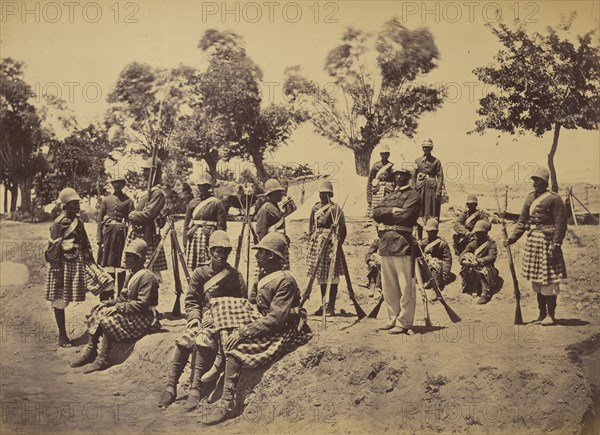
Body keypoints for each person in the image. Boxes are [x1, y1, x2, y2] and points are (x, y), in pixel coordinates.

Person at [201, 233, 311, 425]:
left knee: (236, 348)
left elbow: (276, 319)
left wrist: (244, 331)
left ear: (271, 255)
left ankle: (227, 403)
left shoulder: (285, 281)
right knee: (222, 307)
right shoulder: (263, 274)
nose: (257, 256)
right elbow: (252, 303)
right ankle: (220, 360)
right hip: (263, 319)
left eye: (260, 252)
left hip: (281, 329)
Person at [158, 231, 247, 411]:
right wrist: (194, 319)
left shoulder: (235, 276)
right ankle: (171, 386)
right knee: (186, 338)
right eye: (217, 251)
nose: (221, 255)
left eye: (225, 251)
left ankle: (195, 389)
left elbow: (242, 305)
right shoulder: (200, 273)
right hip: (202, 317)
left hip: (222, 321)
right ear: (209, 251)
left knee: (203, 339)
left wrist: (218, 320)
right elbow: (191, 301)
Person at [70, 238, 159, 373]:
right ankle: (91, 350)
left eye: (130, 257)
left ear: (139, 259)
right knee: (98, 310)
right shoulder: (131, 274)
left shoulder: (147, 277)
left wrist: (117, 308)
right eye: (126, 256)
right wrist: (109, 303)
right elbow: (123, 297)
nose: (126, 260)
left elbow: (142, 305)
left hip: (144, 317)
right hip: (131, 311)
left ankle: (103, 358)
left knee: (107, 320)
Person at [45, 188, 114, 347]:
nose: (77, 207)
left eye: (77, 203)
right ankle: (62, 336)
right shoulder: (57, 224)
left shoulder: (79, 221)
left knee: (107, 283)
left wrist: (92, 262)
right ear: (65, 206)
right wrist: (56, 270)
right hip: (64, 264)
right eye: (73, 204)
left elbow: (85, 244)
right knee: (59, 299)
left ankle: (103, 325)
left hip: (82, 261)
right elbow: (52, 249)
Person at [506, 167, 567, 325]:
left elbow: (561, 225)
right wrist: (512, 238)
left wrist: (555, 244)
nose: (535, 184)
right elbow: (522, 221)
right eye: (534, 181)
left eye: (538, 181)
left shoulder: (554, 199)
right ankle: (541, 314)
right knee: (537, 280)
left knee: (549, 279)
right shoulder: (529, 198)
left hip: (548, 243)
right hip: (533, 242)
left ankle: (550, 315)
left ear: (545, 182)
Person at [372, 167, 421, 335]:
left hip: (402, 242)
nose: (399, 177)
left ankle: (404, 321)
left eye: (403, 174)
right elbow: (376, 213)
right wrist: (392, 211)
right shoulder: (389, 195)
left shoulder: (413, 195)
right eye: (396, 174)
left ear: (408, 177)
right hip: (385, 242)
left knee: (405, 285)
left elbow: (406, 215)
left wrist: (387, 214)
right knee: (388, 285)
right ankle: (392, 318)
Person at [306, 179, 347, 316]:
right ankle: (323, 304)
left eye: (326, 193)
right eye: (321, 193)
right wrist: (312, 241)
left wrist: (336, 244)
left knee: (332, 275)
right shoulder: (315, 208)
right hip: (317, 245)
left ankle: (331, 306)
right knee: (321, 276)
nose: (323, 196)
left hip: (331, 245)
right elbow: (311, 227)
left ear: (331, 194)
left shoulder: (335, 209)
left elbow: (343, 230)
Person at [126, 157, 168, 282]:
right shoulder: (145, 193)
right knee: (134, 267)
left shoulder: (158, 193)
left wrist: (132, 215)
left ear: (153, 173)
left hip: (148, 235)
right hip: (137, 233)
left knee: (150, 270)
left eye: (146, 171)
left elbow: (149, 214)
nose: (143, 173)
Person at [97, 176, 134, 297]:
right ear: (112, 184)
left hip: (122, 236)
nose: (117, 185)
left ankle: (120, 295)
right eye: (115, 183)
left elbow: (132, 221)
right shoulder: (106, 200)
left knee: (121, 265)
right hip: (108, 235)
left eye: (120, 183)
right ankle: (108, 293)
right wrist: (99, 239)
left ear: (123, 184)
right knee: (109, 265)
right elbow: (100, 220)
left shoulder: (128, 201)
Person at [183, 174, 227, 271]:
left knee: (210, 264)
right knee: (194, 267)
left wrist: (219, 242)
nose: (201, 188)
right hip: (194, 238)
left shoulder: (216, 203)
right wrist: (185, 241)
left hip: (210, 237)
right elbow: (186, 224)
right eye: (199, 185)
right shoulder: (193, 203)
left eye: (204, 186)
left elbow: (221, 225)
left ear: (209, 187)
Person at [459, 220, 500, 305]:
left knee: (483, 271)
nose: (477, 235)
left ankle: (486, 292)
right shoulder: (473, 243)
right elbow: (463, 253)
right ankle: (473, 286)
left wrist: (479, 262)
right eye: (477, 233)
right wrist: (464, 261)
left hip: (486, 267)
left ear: (485, 233)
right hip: (474, 267)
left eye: (480, 233)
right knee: (467, 258)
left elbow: (492, 257)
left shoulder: (491, 244)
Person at [255, 178, 289, 269]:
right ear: (271, 194)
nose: (281, 195)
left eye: (280, 192)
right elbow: (261, 233)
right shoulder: (265, 209)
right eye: (277, 192)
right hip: (270, 248)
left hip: (280, 244)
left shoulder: (276, 207)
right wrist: (265, 250)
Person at [414, 139, 445, 236]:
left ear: (431, 148)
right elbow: (413, 177)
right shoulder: (417, 161)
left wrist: (438, 190)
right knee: (419, 211)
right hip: (420, 189)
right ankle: (419, 236)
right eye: (424, 147)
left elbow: (440, 177)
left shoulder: (436, 161)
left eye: (428, 147)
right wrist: (414, 190)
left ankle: (431, 235)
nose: (426, 149)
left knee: (432, 211)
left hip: (432, 189)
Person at [417, 218, 454, 299]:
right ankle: (425, 281)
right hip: (425, 268)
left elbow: (447, 260)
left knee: (434, 263)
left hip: (437, 269)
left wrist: (444, 274)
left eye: (432, 232)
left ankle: (436, 288)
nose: (430, 234)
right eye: (428, 232)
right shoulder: (423, 243)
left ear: (436, 231)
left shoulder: (442, 244)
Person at [367, 144, 395, 217]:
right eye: (382, 154)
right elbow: (369, 182)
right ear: (380, 154)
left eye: (386, 154)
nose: (384, 155)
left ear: (389, 154)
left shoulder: (392, 166)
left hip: (388, 191)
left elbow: (395, 181)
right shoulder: (375, 166)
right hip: (377, 191)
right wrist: (369, 198)